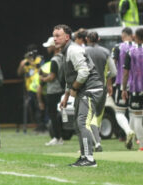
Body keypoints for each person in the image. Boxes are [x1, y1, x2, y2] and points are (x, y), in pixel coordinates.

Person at [53, 24, 103, 167]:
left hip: (90, 89)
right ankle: (84, 156)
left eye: (58, 36)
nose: (54, 39)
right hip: (84, 89)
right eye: (54, 36)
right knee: (78, 123)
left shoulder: (73, 50)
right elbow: (71, 76)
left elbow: (84, 72)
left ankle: (89, 159)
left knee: (82, 122)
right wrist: (66, 97)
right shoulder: (66, 50)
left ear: (67, 37)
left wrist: (74, 88)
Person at [85, 31, 117, 152]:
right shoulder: (105, 51)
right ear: (98, 39)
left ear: (87, 39)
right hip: (101, 88)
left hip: (87, 87)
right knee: (97, 116)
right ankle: (97, 142)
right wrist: (105, 77)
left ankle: (95, 144)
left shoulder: (83, 51)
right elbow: (114, 72)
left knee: (87, 117)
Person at [111, 27, 136, 149]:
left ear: (123, 36)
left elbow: (112, 65)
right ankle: (138, 137)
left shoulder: (118, 47)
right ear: (132, 35)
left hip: (122, 83)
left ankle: (127, 131)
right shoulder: (139, 47)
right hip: (137, 85)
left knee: (119, 111)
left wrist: (109, 82)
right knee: (133, 112)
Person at [39, 37, 65, 146]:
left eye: (49, 46)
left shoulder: (54, 60)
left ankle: (56, 137)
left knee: (53, 115)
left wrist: (43, 79)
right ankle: (60, 137)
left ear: (54, 47)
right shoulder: (62, 57)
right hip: (61, 89)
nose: (47, 48)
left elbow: (53, 77)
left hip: (53, 91)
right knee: (58, 115)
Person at [17, 45, 45, 132]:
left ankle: (43, 125)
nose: (31, 54)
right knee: (32, 107)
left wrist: (31, 63)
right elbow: (19, 73)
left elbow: (41, 68)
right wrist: (22, 66)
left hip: (40, 86)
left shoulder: (39, 59)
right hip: (29, 88)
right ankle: (38, 125)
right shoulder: (24, 61)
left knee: (40, 105)